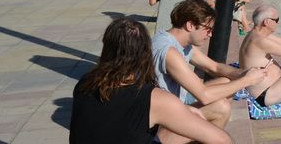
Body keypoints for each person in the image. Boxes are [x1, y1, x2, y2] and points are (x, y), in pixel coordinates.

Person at [70, 18, 232, 144]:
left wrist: (183, 111)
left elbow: (116, 118)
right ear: (145, 53)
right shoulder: (153, 98)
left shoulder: (86, 82)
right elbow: (221, 140)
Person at [151, 0, 268, 143]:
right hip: (160, 123)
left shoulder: (180, 42)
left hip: (176, 103)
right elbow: (204, 96)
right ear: (190, 25)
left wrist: (243, 73)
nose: (210, 34)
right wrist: (247, 80)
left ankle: (201, 136)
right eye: (208, 29)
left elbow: (214, 67)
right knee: (221, 108)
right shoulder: (169, 52)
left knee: (227, 82)